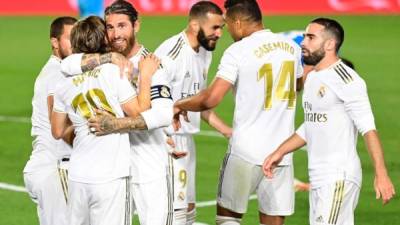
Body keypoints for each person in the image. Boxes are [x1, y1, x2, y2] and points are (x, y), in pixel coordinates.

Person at [173, 1, 303, 224]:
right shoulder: (290, 47)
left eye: (227, 25)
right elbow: (298, 84)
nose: (226, 31)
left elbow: (211, 98)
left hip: (245, 151)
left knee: (228, 219)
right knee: (273, 220)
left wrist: (180, 104)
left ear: (238, 22)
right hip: (282, 152)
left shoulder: (238, 50)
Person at [263, 17, 395, 225]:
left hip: (338, 175)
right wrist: (279, 152)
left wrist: (381, 174)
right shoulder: (314, 77)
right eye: (305, 36)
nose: (303, 42)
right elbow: (310, 125)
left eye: (310, 37)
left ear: (330, 44)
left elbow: (368, 129)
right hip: (319, 177)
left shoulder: (347, 80)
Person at [61, 1, 175, 224]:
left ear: (136, 26)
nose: (115, 34)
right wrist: (109, 57)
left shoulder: (153, 65)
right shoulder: (101, 60)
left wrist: (115, 124)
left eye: (122, 26)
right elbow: (66, 65)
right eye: (110, 28)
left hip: (147, 168)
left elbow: (163, 115)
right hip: (111, 172)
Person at [153, 2, 231, 224]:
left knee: (188, 211)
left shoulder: (204, 51)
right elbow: (148, 98)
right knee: (174, 214)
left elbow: (199, 101)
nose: (219, 33)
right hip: (168, 140)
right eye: (215, 27)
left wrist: (227, 132)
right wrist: (163, 137)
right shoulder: (172, 55)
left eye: (221, 28)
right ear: (195, 24)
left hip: (186, 140)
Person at [23, 16, 77, 225]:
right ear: (55, 43)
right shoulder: (57, 73)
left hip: (51, 168)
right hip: (53, 169)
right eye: (71, 38)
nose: (77, 44)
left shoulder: (65, 70)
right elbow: (61, 127)